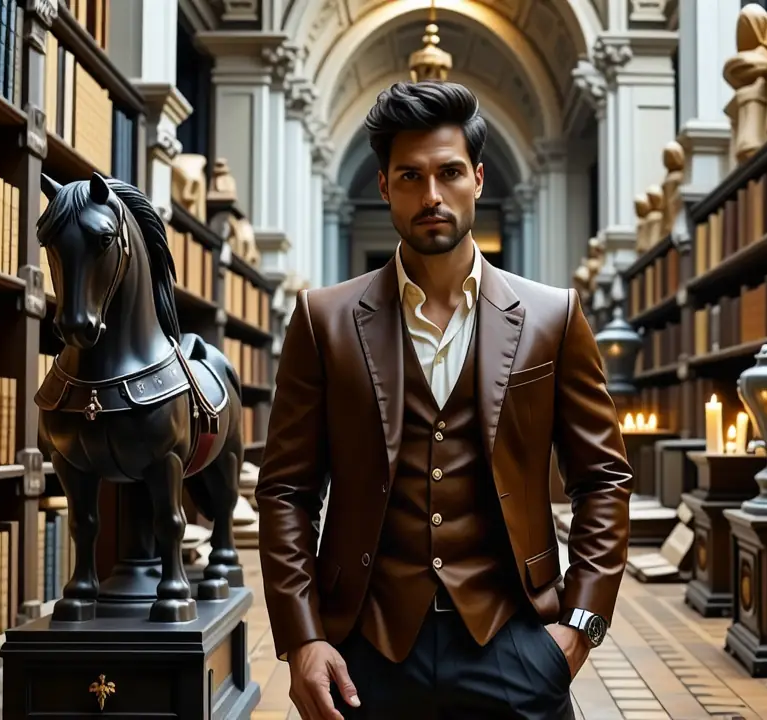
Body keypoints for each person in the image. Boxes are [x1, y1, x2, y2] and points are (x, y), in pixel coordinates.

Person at [256, 80, 632, 720]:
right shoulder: (324, 319)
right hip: (364, 650)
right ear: (384, 186)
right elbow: (286, 489)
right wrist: (304, 639)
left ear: (478, 178)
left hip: (516, 639)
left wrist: (579, 628)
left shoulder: (552, 316)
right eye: (410, 175)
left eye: (449, 172)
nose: (431, 195)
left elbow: (602, 476)